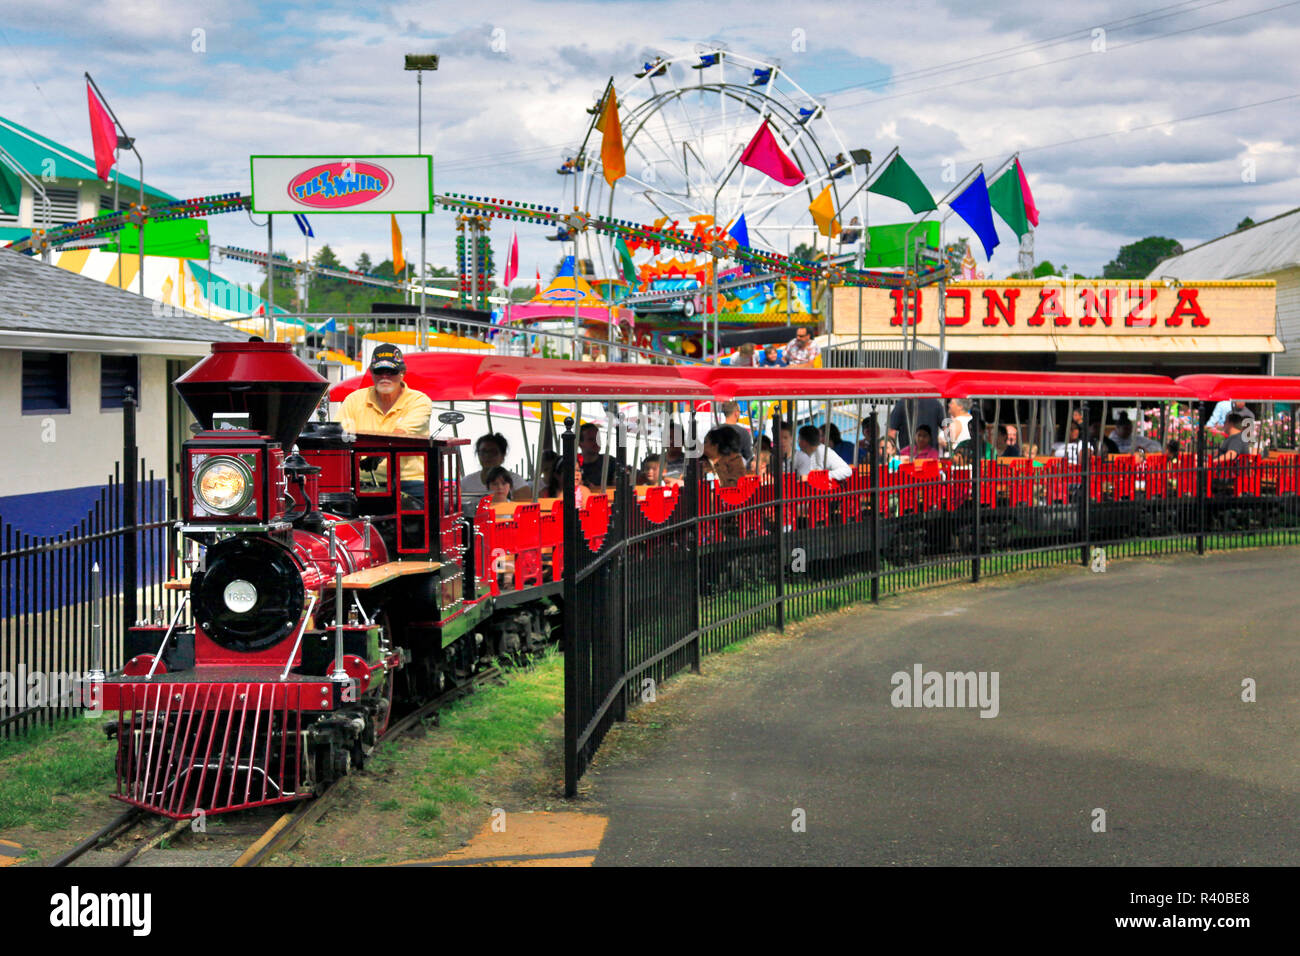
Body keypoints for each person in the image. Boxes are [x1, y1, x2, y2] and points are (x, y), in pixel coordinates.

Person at [337, 344, 433, 500]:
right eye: (379, 371)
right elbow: (340, 436)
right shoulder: (354, 400)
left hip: (408, 482)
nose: (384, 377)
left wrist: (376, 453)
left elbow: (401, 434)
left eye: (391, 372)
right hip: (361, 481)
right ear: (371, 373)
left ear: (402, 373)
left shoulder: (419, 401)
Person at [462, 433, 531, 516]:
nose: (487, 456)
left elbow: (526, 513)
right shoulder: (466, 482)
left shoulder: (517, 481)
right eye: (483, 452)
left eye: (493, 452)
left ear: (503, 455)